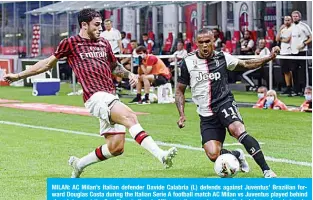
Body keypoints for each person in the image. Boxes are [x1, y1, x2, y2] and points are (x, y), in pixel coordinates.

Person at [4, 9, 177, 178]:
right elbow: (47, 64)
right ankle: (161, 155)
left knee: (116, 148)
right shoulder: (71, 43)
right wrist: (19, 75)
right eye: (97, 25)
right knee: (130, 116)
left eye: (101, 24)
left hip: (110, 95)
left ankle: (79, 164)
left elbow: (114, 67)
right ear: (84, 25)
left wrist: (129, 74)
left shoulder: (104, 43)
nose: (101, 28)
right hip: (95, 97)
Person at [175, 28, 280, 178]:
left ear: (213, 42)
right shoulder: (187, 63)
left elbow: (247, 64)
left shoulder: (223, 57)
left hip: (224, 103)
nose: (205, 46)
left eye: (208, 42)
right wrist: (181, 114)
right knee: (213, 154)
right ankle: (236, 155)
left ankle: (267, 170)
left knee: (237, 130)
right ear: (195, 43)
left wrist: (269, 57)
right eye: (201, 43)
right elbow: (179, 90)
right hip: (206, 113)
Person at [290, 11, 312, 96]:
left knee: (303, 71)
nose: (295, 17)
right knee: (294, 71)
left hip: (302, 51)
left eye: (296, 16)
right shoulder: (291, 27)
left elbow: (311, 37)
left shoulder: (304, 26)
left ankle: (305, 90)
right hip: (293, 52)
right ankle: (296, 90)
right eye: (293, 16)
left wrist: (304, 44)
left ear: (299, 17)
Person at [276, 16, 294, 96]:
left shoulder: (293, 29)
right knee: (285, 71)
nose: (287, 21)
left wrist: (282, 39)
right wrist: (280, 30)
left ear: (291, 21)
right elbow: (277, 39)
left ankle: (294, 87)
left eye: (288, 20)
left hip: (290, 52)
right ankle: (288, 87)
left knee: (291, 71)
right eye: (285, 20)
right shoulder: (283, 29)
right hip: (283, 53)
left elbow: (287, 40)